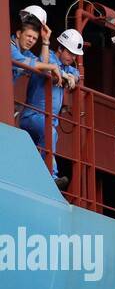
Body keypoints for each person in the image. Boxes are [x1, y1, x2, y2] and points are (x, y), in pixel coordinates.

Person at [18, 28, 82, 190]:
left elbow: (76, 75)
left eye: (75, 55)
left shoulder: (68, 67)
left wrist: (71, 77)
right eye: (70, 53)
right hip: (33, 116)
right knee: (50, 132)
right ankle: (51, 176)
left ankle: (35, 177)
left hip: (46, 120)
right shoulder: (50, 58)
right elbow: (46, 67)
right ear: (60, 48)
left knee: (36, 149)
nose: (72, 57)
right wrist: (62, 74)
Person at [10, 6, 62, 84]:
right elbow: (22, 61)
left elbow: (42, 65)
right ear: (18, 34)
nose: (31, 40)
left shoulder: (26, 53)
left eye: (34, 38)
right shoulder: (8, 45)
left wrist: (45, 40)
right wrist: (52, 66)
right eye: (28, 36)